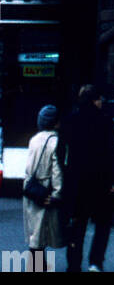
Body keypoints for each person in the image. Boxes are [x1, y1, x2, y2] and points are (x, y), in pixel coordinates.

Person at [60, 85, 114, 273]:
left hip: (77, 183)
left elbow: (61, 152)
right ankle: (95, 262)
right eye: (100, 99)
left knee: (77, 225)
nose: (101, 102)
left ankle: (74, 263)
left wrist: (66, 175)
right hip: (101, 182)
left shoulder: (70, 121)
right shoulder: (104, 121)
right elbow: (112, 152)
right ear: (94, 100)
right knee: (102, 224)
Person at [23, 105, 64, 265]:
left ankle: (39, 265)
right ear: (55, 123)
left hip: (32, 189)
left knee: (35, 232)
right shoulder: (55, 141)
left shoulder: (34, 139)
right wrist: (57, 194)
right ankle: (37, 266)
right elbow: (57, 171)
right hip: (45, 190)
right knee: (42, 232)